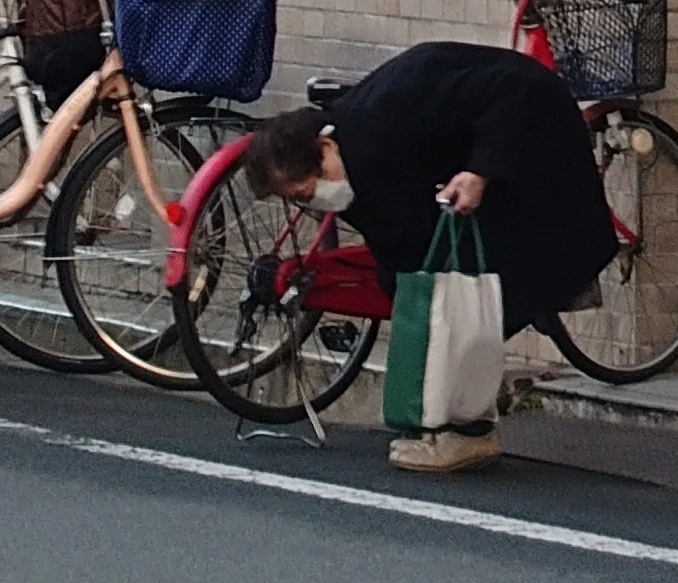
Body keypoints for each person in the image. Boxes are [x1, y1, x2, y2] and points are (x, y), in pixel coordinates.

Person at [246, 41, 620, 476]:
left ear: (325, 148)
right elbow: (399, 246)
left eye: (309, 191)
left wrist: (480, 171)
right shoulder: (355, 161)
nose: (317, 202)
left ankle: (470, 430)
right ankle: (458, 419)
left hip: (532, 134)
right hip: (474, 162)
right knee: (451, 293)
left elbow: (513, 88)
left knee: (482, 288)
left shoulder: (392, 109)